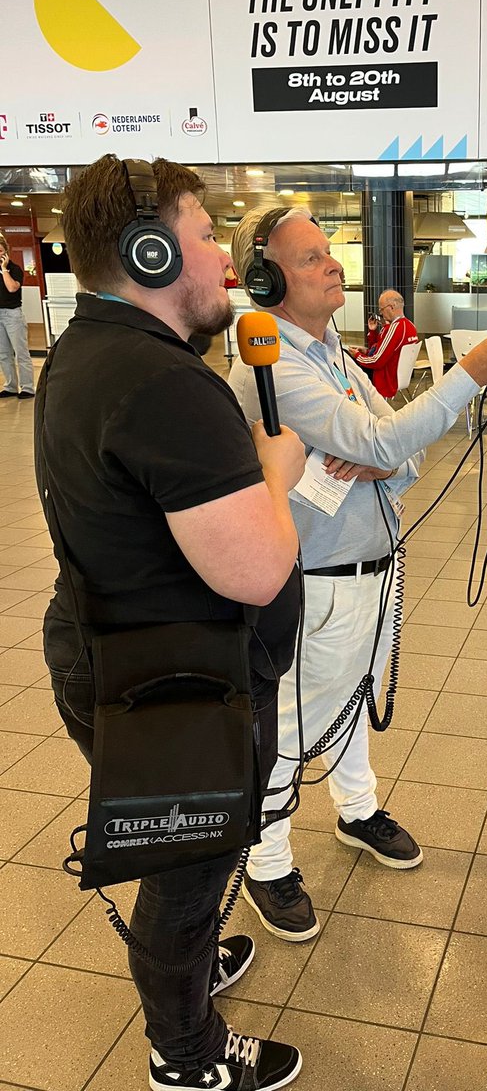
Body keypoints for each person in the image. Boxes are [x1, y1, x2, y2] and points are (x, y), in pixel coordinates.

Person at [37, 155, 306, 1091]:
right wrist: (277, 471)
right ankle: (184, 1052)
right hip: (173, 688)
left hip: (124, 656)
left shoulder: (89, 348)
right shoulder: (162, 383)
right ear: (149, 252)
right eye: (204, 235)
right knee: (187, 873)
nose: (227, 260)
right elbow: (257, 566)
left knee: (183, 859)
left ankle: (184, 966)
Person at [228, 206, 487, 943]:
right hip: (317, 578)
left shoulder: (333, 355)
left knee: (358, 694)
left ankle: (356, 809)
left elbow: (403, 450)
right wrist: (466, 377)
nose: (333, 264)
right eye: (311, 258)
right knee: (294, 720)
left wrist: (384, 457)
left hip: (374, 566)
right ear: (265, 280)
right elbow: (384, 438)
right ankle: (267, 862)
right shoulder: (271, 367)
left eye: (327, 252)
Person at [350, 288, 418, 397]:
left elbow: (376, 361)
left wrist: (357, 355)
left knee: (347, 362)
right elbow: (381, 351)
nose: (380, 313)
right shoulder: (410, 326)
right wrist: (372, 334)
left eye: (381, 309)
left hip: (385, 379)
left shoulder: (395, 328)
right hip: (398, 376)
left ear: (391, 307)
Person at [0, 236, 35, 398]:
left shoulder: (14, 269)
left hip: (13, 314)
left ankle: (27, 387)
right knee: (3, 353)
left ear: (6, 251)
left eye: (0, 250)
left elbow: (12, 288)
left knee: (21, 352)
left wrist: (4, 269)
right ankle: (10, 386)